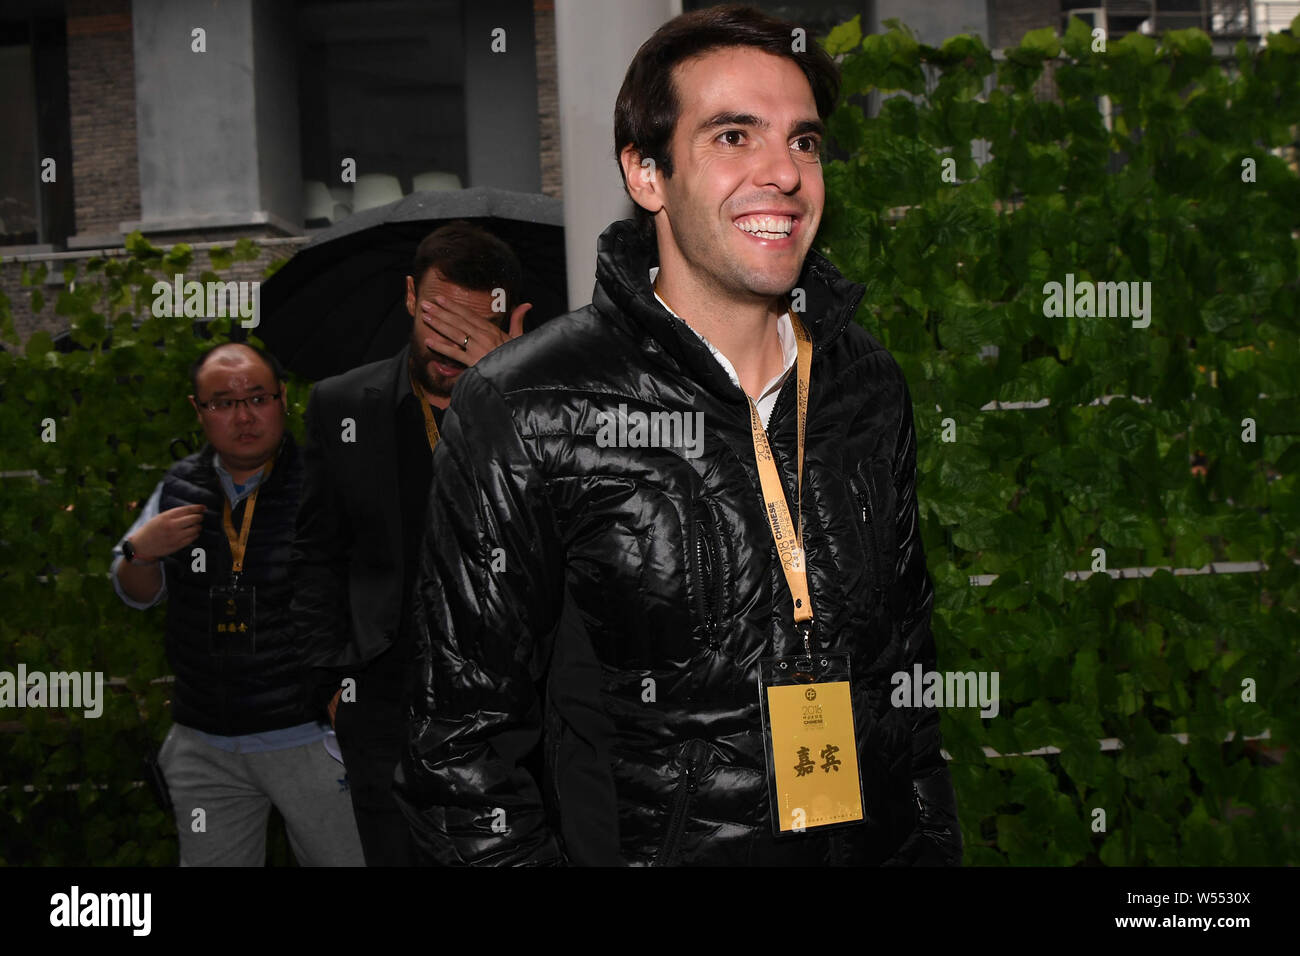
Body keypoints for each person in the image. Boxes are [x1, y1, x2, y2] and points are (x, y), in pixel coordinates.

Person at [394, 4, 962, 866]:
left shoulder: (864, 383)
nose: (784, 172)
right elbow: (457, 755)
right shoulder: (529, 405)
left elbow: (906, 681)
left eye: (803, 141)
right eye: (734, 136)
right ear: (646, 173)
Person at [290, 221, 531, 866]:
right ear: (407, 297)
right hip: (382, 705)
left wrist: (504, 391)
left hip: (504, 709)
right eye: (436, 316)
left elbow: (560, 542)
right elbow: (317, 554)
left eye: (469, 326)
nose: (449, 342)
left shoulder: (530, 413)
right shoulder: (342, 406)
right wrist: (331, 685)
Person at [112, 342, 363, 866]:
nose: (243, 416)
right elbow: (135, 594)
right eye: (222, 403)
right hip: (207, 743)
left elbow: (380, 591)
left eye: (257, 397)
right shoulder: (179, 486)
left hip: (312, 735)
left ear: (283, 399)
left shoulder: (328, 481)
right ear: (197, 410)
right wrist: (141, 552)